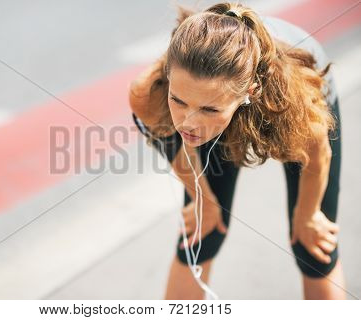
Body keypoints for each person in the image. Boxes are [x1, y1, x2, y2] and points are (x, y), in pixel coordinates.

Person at [128, 2, 346, 299]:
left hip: (299, 83)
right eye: (178, 101)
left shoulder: (298, 105)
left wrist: (307, 215)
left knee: (312, 247)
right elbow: (174, 150)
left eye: (208, 109)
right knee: (204, 234)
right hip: (225, 89)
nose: (189, 122)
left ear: (251, 92)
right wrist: (202, 198)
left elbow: (317, 157)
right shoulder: (148, 91)